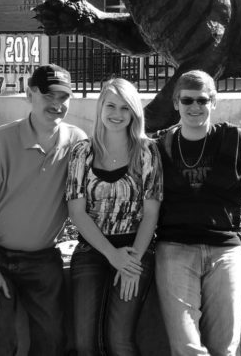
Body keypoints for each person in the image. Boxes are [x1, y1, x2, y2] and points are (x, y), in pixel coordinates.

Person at [0, 64, 87, 356]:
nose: (57, 104)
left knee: (53, 340)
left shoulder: (78, 143)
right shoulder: (2, 139)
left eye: (64, 96)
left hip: (43, 260)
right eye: (49, 95)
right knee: (1, 337)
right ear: (30, 94)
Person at [154, 69, 241, 356]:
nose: (195, 107)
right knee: (186, 347)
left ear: (214, 102)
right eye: (187, 101)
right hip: (174, 249)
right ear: (176, 103)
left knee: (226, 347)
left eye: (202, 100)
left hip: (226, 250)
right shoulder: (162, 146)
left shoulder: (236, 140)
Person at [65, 78, 163, 356]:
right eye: (111, 105)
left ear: (134, 113)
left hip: (136, 249)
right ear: (100, 108)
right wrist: (112, 255)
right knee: (85, 343)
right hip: (92, 250)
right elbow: (76, 212)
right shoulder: (82, 152)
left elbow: (151, 213)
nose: (117, 114)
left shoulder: (146, 151)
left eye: (125, 107)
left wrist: (130, 262)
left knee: (119, 341)